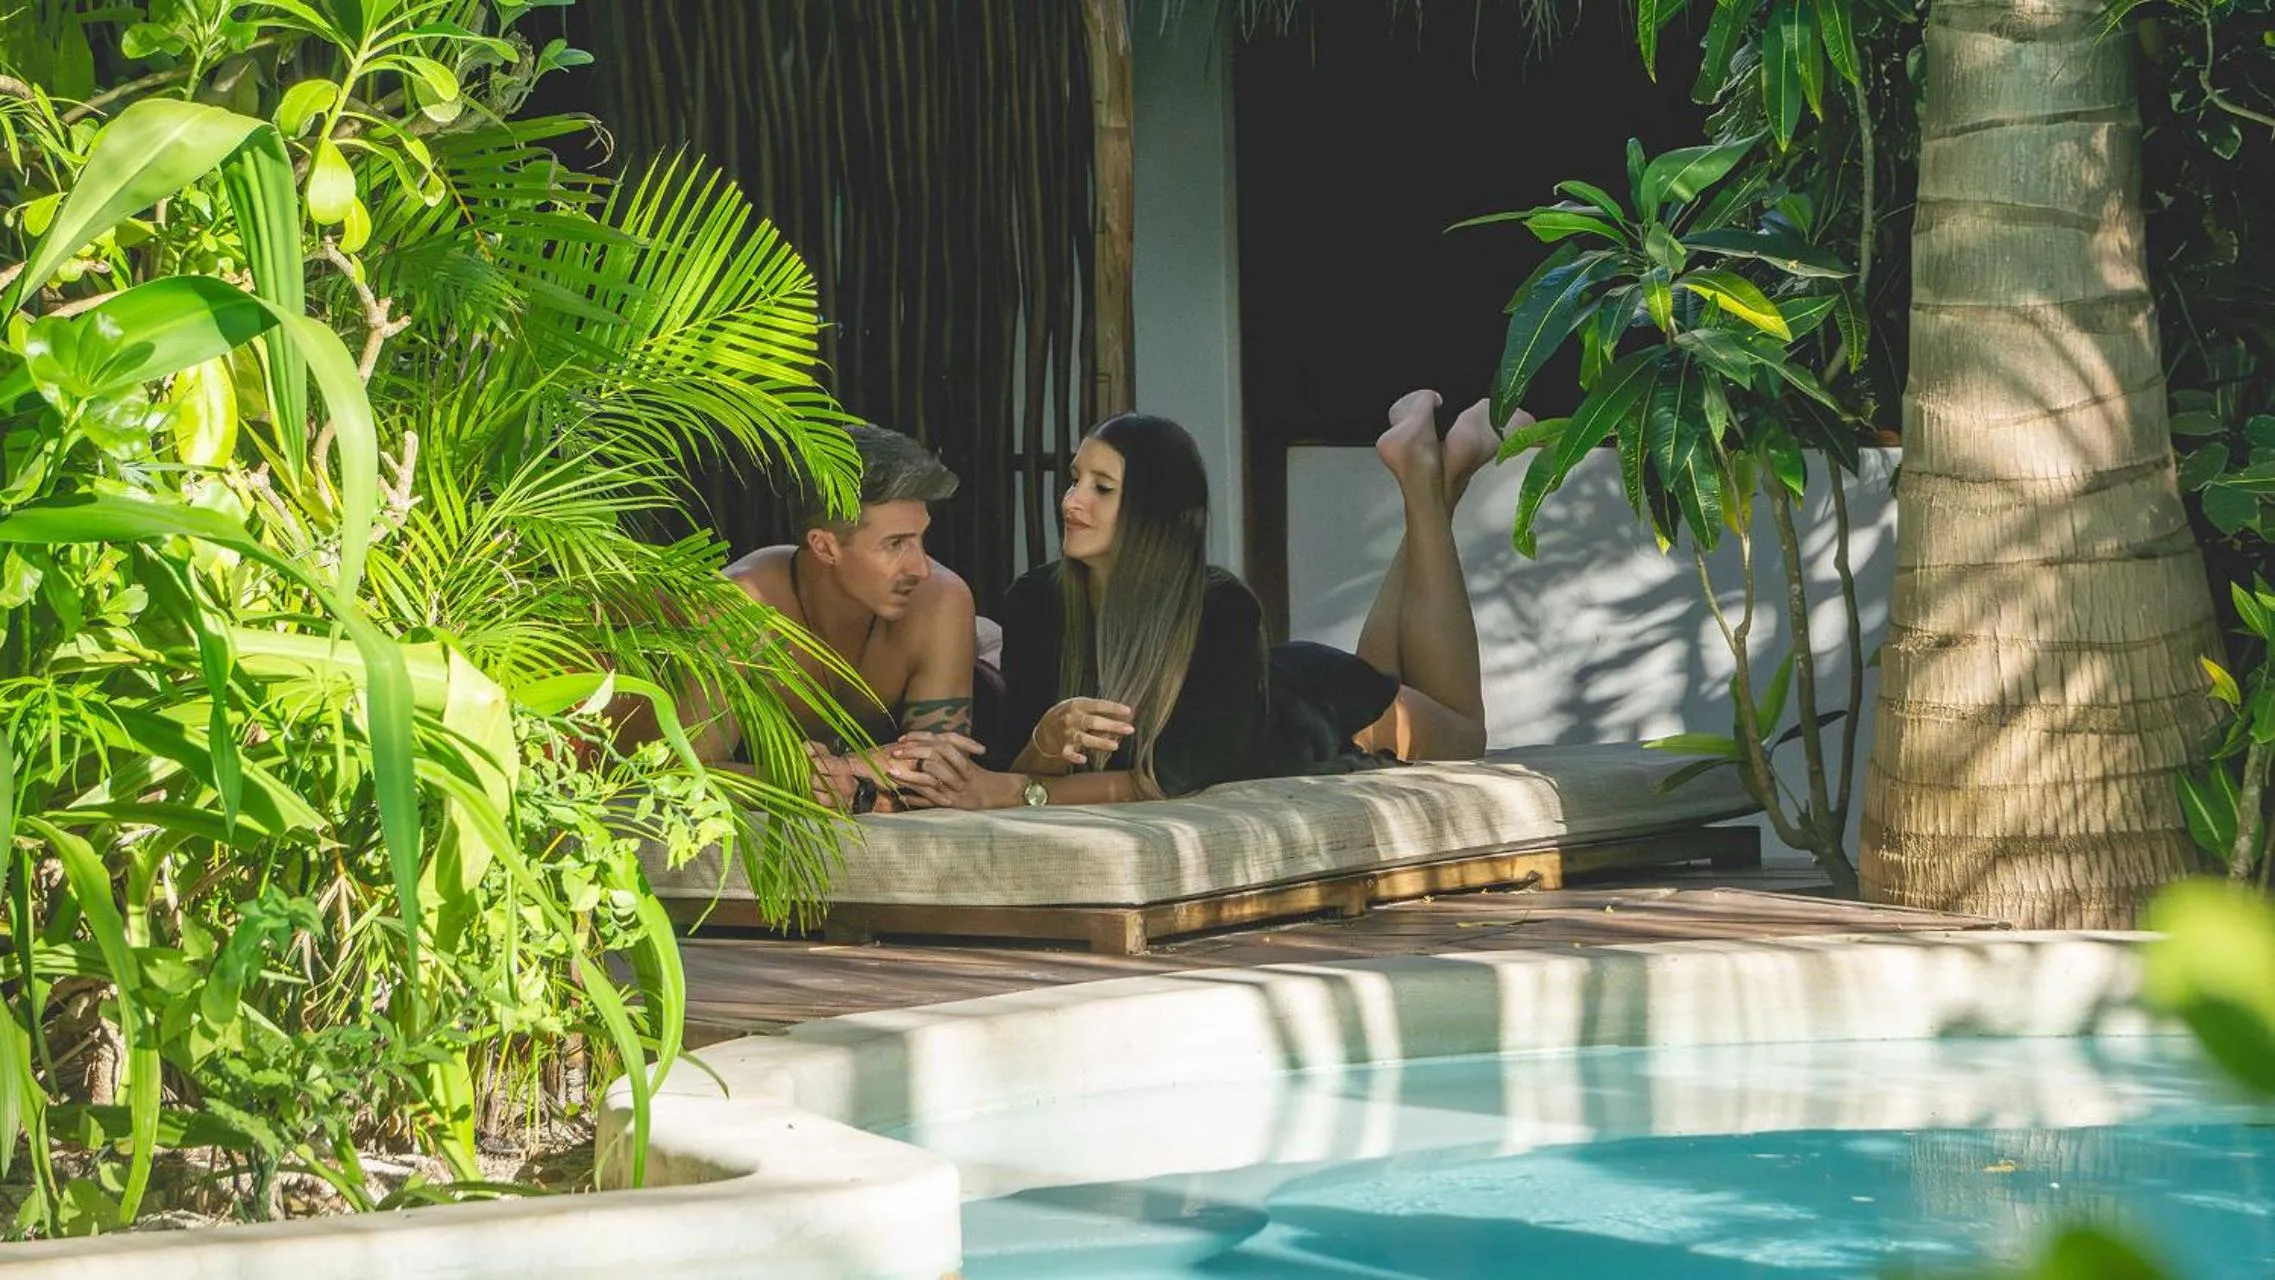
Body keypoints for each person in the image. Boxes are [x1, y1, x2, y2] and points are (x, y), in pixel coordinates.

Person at [887, 390, 1507, 809]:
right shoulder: (1035, 601)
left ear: (1155, 511)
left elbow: (1168, 780)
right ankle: (1433, 474)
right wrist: (1041, 748)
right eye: (1075, 479)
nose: (1072, 501)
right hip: (1258, 691)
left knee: (1464, 734)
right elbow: (1026, 758)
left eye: (1102, 488)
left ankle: (1431, 478)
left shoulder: (1218, 608)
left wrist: (1020, 791)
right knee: (1391, 670)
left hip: (1310, 705)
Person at [692, 423, 989, 813]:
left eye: (921, 539)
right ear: (825, 547)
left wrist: (845, 772)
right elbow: (681, 773)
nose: (921, 568)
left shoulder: (941, 600)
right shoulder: (742, 606)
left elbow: (941, 782)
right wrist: (793, 779)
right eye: (895, 544)